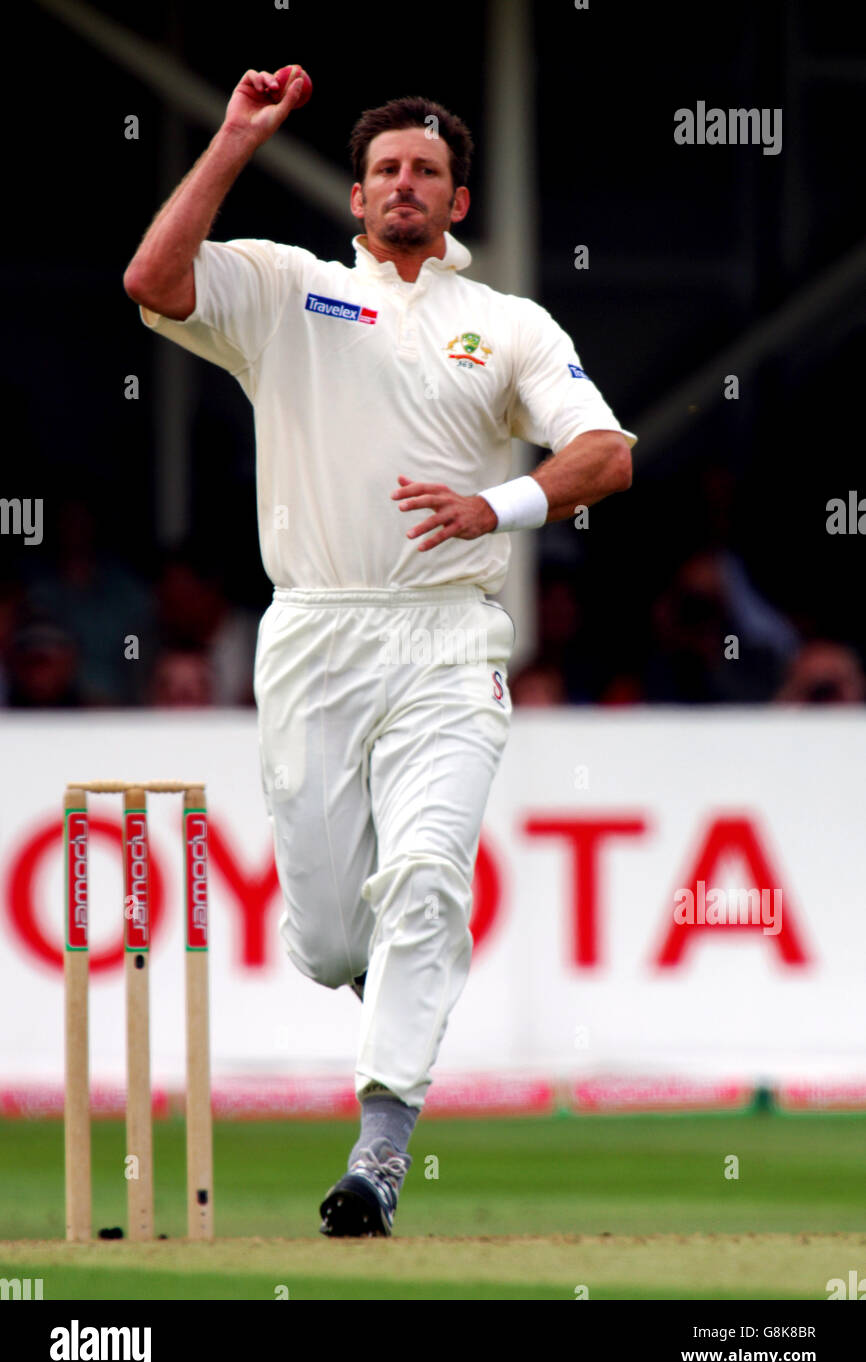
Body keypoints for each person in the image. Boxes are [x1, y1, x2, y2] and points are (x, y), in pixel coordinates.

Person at [123, 66, 636, 1236]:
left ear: (457, 203)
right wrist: (236, 137)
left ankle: (378, 1156)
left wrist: (494, 507)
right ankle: (399, 977)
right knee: (324, 938)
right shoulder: (287, 291)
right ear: (356, 198)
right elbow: (150, 279)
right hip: (312, 632)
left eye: (429, 173)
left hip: (449, 641)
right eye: (388, 171)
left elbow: (605, 453)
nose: (406, 186)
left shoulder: (504, 324)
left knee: (425, 877)